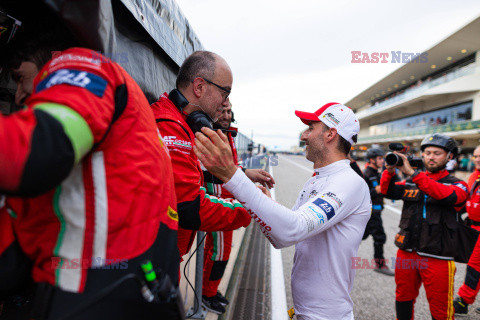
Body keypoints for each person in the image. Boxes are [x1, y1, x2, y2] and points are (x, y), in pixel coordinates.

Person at [0, 10, 182, 320]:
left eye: (20, 77)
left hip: (96, 291)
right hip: (126, 287)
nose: (18, 95)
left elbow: (36, 150)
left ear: (51, 57)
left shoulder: (77, 64)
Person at [194, 102, 372, 320]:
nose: (304, 136)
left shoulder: (349, 182)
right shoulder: (318, 180)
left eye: (310, 128)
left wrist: (233, 176)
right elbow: (281, 236)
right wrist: (261, 202)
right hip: (305, 312)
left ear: (330, 134)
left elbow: (291, 230)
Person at [150, 51, 271, 261]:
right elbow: (189, 206)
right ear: (199, 87)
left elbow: (204, 174)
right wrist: (252, 205)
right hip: (154, 260)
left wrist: (245, 183)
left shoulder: (183, 123)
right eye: (225, 92)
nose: (226, 103)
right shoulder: (170, 127)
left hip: (162, 254)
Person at [380, 133, 468, 320]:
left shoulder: (458, 184)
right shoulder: (411, 181)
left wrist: (414, 174)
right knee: (402, 298)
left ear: (449, 156)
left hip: (438, 256)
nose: (431, 157)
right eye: (427, 152)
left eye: (437, 153)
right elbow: (388, 191)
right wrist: (388, 171)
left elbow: (447, 196)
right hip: (407, 251)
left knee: (441, 309)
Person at [201, 101, 274, 314]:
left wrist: (247, 174)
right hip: (218, 200)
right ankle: (207, 294)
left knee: (217, 251)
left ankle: (210, 290)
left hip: (227, 198)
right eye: (221, 110)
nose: (225, 114)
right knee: (219, 252)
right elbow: (211, 170)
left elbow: (230, 167)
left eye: (229, 111)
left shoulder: (226, 133)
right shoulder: (211, 133)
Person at [453, 145, 480, 316]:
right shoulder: (473, 176)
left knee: (474, 266)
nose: (477, 159)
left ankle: (463, 301)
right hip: (472, 227)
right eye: (476, 156)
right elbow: (465, 200)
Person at [362, 147, 394, 276]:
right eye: (380, 158)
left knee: (360, 236)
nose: (382, 161)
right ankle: (380, 265)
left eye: (383, 158)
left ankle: (338, 258)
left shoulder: (378, 173)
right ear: (371, 160)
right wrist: (377, 190)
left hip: (376, 211)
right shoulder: (366, 174)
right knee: (380, 237)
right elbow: (361, 195)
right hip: (370, 213)